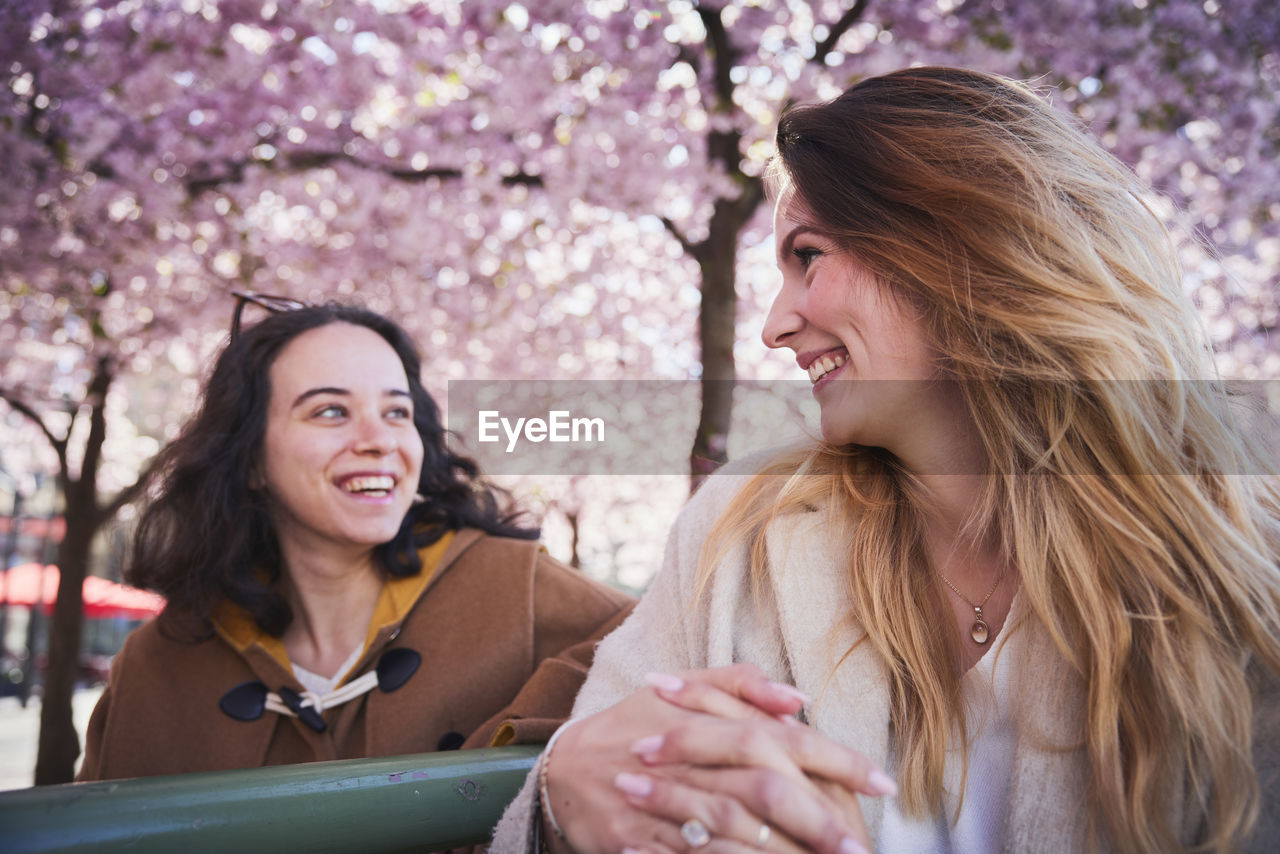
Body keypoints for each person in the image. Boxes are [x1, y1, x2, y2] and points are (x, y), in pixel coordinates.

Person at [490, 67, 1280, 854]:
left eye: (809, 257)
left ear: (951, 250)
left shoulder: (1239, 562)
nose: (773, 325)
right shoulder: (741, 533)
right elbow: (597, 777)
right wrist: (561, 793)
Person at [79, 295, 634, 780]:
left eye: (398, 411)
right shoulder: (155, 666)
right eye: (330, 411)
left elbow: (679, 653)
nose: (379, 439)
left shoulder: (518, 586)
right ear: (250, 459)